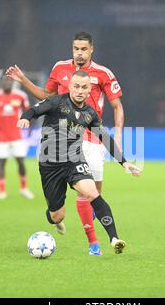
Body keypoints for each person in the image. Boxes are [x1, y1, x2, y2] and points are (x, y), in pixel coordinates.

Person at [6, 31, 125, 256]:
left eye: (84, 49)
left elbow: (117, 105)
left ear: (91, 50)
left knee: (92, 194)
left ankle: (97, 242)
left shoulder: (103, 73)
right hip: (59, 142)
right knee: (72, 204)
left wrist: (117, 135)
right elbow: (46, 96)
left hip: (91, 137)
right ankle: (91, 243)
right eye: (76, 49)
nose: (79, 53)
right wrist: (23, 81)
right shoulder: (59, 68)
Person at [18, 70, 140, 254]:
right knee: (57, 215)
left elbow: (105, 138)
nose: (80, 90)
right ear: (70, 86)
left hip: (74, 160)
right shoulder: (56, 102)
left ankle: (114, 238)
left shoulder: (90, 114)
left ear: (90, 89)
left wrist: (124, 162)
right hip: (50, 165)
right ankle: (55, 220)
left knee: (92, 193)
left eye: (84, 87)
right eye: (76, 86)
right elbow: (34, 110)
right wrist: (25, 118)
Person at [0, 71, 35, 200]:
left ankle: (24, 188)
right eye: (5, 80)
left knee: (21, 162)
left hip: (17, 136)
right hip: (1, 136)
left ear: (13, 81)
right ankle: (2, 191)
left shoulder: (21, 96)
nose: (7, 82)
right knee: (2, 163)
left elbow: (29, 112)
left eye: (9, 80)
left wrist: (30, 127)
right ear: (1, 81)